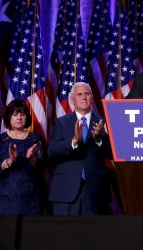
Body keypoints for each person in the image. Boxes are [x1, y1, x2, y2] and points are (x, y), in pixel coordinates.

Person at [48, 82, 113, 215]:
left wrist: (99, 139)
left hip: (95, 191)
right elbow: (52, 151)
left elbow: (113, 153)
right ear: (72, 100)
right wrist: (74, 140)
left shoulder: (104, 122)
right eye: (79, 94)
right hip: (66, 190)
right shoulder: (61, 123)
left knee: (94, 234)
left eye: (87, 94)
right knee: (65, 234)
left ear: (92, 97)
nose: (84, 97)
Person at [0, 99, 44, 215]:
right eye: (15, 115)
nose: (19, 118)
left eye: (22, 114)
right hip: (3, 197)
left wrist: (31, 158)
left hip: (30, 196)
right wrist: (9, 161)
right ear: (9, 117)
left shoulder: (35, 139)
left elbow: (42, 168)